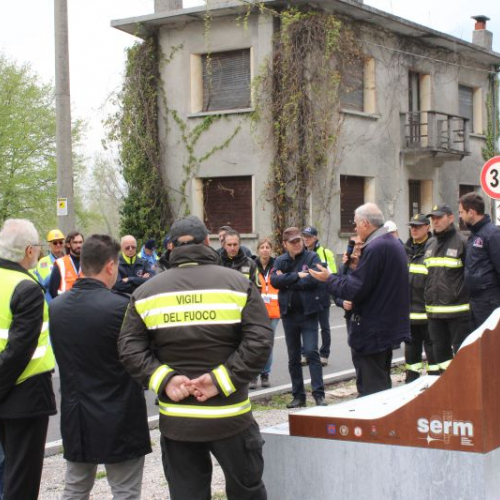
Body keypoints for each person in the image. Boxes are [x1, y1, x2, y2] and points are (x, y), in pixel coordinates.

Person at [118, 215, 272, 500]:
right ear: (208, 242)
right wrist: (220, 380)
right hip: (230, 416)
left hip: (178, 421)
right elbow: (260, 340)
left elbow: (129, 348)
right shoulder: (238, 284)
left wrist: (165, 380)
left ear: (171, 246)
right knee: (247, 492)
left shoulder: (145, 293)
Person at [49, 234, 151, 500]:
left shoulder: (56, 308)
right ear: (110, 266)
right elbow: (139, 357)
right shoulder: (122, 308)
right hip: (120, 414)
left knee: (75, 489)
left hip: (77, 416)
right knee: (125, 492)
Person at [310, 203, 410, 397]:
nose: (355, 228)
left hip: (373, 330)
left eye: (356, 223)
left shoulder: (375, 247)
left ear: (365, 224)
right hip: (385, 327)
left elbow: (353, 289)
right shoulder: (392, 243)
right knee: (380, 383)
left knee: (372, 391)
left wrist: (328, 278)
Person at [0, 219, 56, 499]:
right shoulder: (26, 287)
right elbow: (19, 351)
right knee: (21, 480)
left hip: (10, 393)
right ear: (29, 251)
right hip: (25, 395)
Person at [271, 227, 326, 408]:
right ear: (285, 244)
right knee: (293, 357)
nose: (297, 244)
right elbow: (275, 281)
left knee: (311, 352)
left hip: (308, 313)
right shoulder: (281, 260)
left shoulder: (312, 257)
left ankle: (319, 395)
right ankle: (298, 396)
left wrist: (288, 281)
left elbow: (313, 280)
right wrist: (296, 276)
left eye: (299, 240)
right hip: (289, 315)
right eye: (292, 242)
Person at [424, 204, 470, 373]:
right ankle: (448, 383)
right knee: (441, 356)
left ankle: (463, 385)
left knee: (462, 355)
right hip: (434, 313)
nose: (435, 221)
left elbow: (470, 276)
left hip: (458, 312)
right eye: (433, 218)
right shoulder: (430, 244)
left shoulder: (463, 242)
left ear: (451, 218)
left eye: (439, 217)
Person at [404, 214, 438, 382]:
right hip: (409, 317)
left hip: (429, 315)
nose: (414, 229)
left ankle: (435, 387)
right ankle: (412, 386)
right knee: (411, 361)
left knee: (434, 360)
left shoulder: (433, 249)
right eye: (412, 226)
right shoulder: (405, 251)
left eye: (417, 226)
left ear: (427, 227)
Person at [459, 192, 500, 329]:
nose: (460, 216)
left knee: (490, 340)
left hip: (489, 301)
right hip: (475, 301)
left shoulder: (492, 234)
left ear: (471, 212)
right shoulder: (474, 234)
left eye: (461, 212)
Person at [301, 226, 337, 366]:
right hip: (307, 295)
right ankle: (306, 353)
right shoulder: (301, 253)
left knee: (324, 326)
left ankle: (324, 354)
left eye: (309, 237)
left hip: (322, 295)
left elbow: (333, 274)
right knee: (307, 326)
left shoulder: (325, 253)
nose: (306, 239)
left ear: (315, 238)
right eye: (304, 236)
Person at [252, 237, 280, 389]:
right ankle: (253, 376)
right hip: (256, 312)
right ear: (258, 250)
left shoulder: (277, 265)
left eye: (267, 247)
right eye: (262, 247)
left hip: (273, 311)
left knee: (268, 345)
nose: (265, 250)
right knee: (254, 344)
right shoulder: (252, 266)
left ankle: (265, 374)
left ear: (271, 249)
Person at [48, 231, 84, 298]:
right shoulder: (60, 263)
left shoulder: (89, 263)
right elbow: (52, 290)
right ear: (68, 244)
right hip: (66, 303)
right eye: (75, 242)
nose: (78, 245)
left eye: (80, 242)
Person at [34, 228, 65, 302]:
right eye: (55, 243)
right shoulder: (43, 262)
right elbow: (45, 282)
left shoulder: (68, 259)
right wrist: (60, 268)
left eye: (60, 242)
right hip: (51, 302)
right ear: (49, 245)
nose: (58, 245)